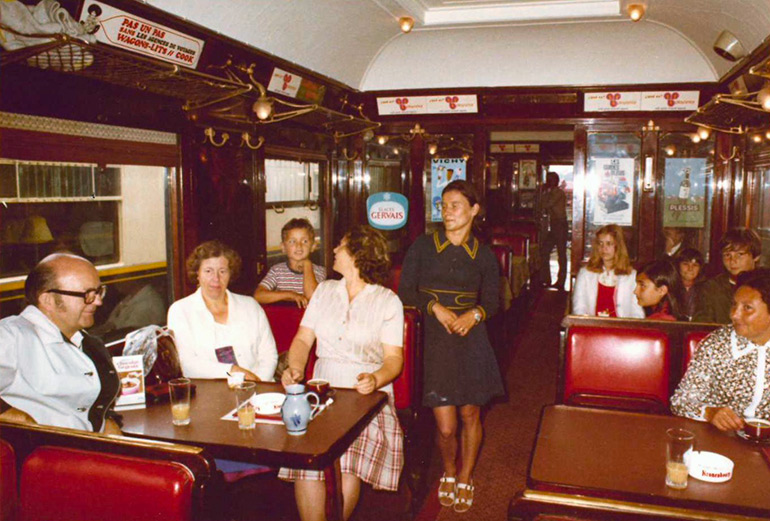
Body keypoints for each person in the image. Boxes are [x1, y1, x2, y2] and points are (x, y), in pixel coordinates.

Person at [280, 226, 404, 521]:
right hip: (321, 391)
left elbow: (394, 361)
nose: (334, 250)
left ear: (358, 256)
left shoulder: (387, 301)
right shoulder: (324, 291)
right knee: (307, 460)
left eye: (341, 246)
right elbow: (302, 339)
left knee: (346, 461)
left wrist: (375, 379)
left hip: (367, 398)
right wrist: (295, 367)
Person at [398, 180, 503, 514]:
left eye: (455, 205)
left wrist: (475, 314)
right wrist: (435, 308)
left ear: (474, 210)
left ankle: (465, 476)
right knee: (445, 425)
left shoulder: (483, 255)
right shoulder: (423, 247)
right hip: (435, 337)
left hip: (471, 337)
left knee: (470, 412)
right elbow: (406, 291)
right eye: (443, 205)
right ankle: (449, 470)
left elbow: (494, 301)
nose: (447, 212)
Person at [0, 253, 121, 434]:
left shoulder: (90, 344)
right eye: (87, 294)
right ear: (48, 300)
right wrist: (19, 422)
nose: (98, 301)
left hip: (86, 449)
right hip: (42, 455)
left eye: (98, 291)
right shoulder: (11, 335)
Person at [671, 268, 770, 430]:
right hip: (722, 437)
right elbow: (681, 401)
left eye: (747, 308)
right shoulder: (717, 345)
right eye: (734, 305)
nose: (734, 315)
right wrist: (709, 412)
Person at [167, 240, 277, 382]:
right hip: (208, 396)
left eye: (222, 271)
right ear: (197, 274)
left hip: (259, 388)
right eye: (208, 271)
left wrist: (257, 384)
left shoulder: (251, 306)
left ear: (230, 274)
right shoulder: (180, 311)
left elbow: (269, 355)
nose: (216, 278)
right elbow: (187, 364)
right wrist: (233, 372)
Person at [572, 224, 645, 318]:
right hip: (592, 328)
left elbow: (637, 311)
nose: (604, 248)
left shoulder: (632, 276)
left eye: (609, 243)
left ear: (618, 247)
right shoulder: (585, 273)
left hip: (621, 329)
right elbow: (579, 308)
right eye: (600, 243)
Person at [692, 228, 761, 324]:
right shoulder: (711, 288)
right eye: (727, 255)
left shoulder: (766, 286)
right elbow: (702, 326)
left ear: (756, 256)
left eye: (740, 254)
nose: (733, 261)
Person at [254, 218, 326, 308]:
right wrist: (290, 295)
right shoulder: (277, 271)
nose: (298, 245)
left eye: (305, 241)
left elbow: (312, 297)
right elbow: (258, 295)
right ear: (283, 247)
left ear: (313, 246)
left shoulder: (320, 271)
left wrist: (307, 265)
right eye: (292, 241)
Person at [539, 171, 568, 290]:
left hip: (560, 224)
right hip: (554, 225)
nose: (548, 182)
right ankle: (546, 279)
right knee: (545, 250)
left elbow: (546, 204)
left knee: (561, 253)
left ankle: (561, 281)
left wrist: (544, 192)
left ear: (555, 181)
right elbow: (542, 205)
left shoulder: (559, 193)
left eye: (549, 179)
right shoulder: (550, 192)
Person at [675, 247, 704, 321]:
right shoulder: (670, 289)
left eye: (695, 265)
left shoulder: (706, 289)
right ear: (678, 266)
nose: (690, 268)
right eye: (685, 264)